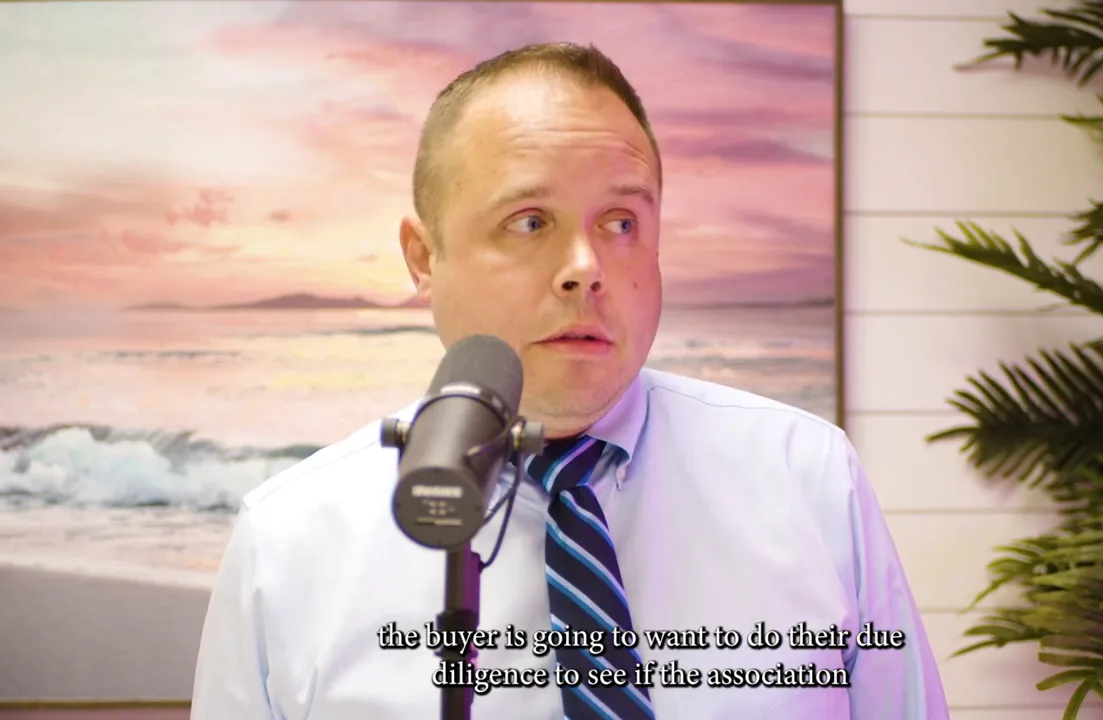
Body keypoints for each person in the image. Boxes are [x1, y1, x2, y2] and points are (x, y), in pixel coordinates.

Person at [190, 41, 949, 720]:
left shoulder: (810, 479)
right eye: (529, 222)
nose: (586, 269)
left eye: (620, 223)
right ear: (424, 257)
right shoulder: (289, 543)